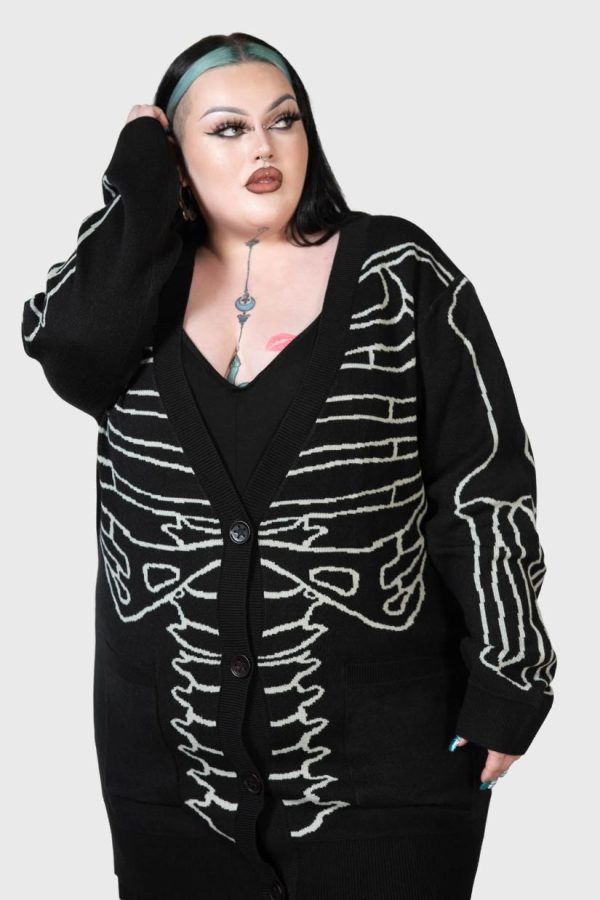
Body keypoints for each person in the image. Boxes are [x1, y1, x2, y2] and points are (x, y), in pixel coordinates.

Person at [21, 31, 558, 900]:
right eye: (227, 129)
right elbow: (67, 347)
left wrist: (511, 674)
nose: (265, 148)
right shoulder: (129, 296)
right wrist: (139, 181)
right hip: (171, 777)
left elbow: (483, 480)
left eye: (284, 120)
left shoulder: (400, 274)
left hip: (387, 770)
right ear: (177, 153)